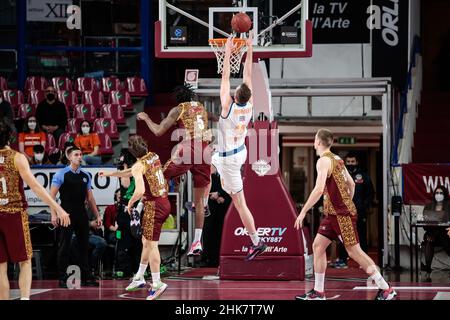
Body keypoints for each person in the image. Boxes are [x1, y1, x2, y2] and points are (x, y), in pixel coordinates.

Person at [294, 129, 396, 300]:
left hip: (341, 215)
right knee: (318, 246)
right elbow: (351, 184)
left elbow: (319, 189)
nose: (314, 142)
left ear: (318, 142)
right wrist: (344, 201)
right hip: (333, 214)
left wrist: (303, 212)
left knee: (355, 252)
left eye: (314, 140)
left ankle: (386, 289)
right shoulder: (337, 159)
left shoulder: (323, 161)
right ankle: (318, 292)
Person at [137, 84, 212, 256]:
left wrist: (147, 118)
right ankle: (197, 242)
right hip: (205, 150)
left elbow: (158, 131)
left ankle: (139, 208)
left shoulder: (178, 109)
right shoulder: (201, 108)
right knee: (199, 201)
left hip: (189, 148)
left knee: (159, 175)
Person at [211, 32, 267, 261]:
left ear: (236, 95)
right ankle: (205, 201)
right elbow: (248, 75)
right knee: (207, 164)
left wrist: (227, 50)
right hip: (238, 152)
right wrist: (249, 48)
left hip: (229, 159)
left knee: (239, 203)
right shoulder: (250, 105)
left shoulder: (228, 107)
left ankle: (256, 241)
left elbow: (225, 77)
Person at [0, 119, 70, 300]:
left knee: (0, 265)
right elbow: (37, 188)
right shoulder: (17, 157)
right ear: (10, 136)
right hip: (14, 213)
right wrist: (58, 208)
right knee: (24, 261)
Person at [100, 135, 171, 300]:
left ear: (132, 152)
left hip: (154, 207)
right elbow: (131, 171)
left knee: (152, 245)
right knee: (146, 242)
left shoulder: (139, 166)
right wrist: (111, 174)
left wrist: (130, 203)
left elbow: (139, 191)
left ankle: (157, 283)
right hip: (164, 202)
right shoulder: (153, 156)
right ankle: (139, 276)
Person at [50, 146, 102, 288]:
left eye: (81, 154)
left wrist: (97, 216)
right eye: (76, 154)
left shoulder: (86, 175)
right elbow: (51, 196)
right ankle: (62, 278)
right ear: (69, 157)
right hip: (66, 214)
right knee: (64, 246)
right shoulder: (61, 174)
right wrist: (54, 214)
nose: (80, 157)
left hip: (81, 214)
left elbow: (90, 199)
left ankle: (86, 277)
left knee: (84, 246)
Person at [332, 152, 374, 268]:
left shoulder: (364, 176)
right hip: (344, 212)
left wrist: (363, 206)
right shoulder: (341, 175)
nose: (350, 164)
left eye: (353, 162)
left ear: (357, 162)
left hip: (359, 212)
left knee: (360, 235)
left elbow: (370, 194)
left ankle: (363, 263)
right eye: (348, 162)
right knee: (343, 236)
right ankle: (342, 260)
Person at [421, 185, 450, 281]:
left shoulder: (448, 206)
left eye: (441, 193)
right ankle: (428, 267)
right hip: (431, 233)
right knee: (429, 239)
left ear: (445, 195)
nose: (439, 195)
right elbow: (425, 225)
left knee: (442, 235)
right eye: (437, 193)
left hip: (445, 234)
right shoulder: (429, 206)